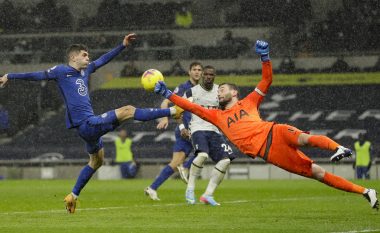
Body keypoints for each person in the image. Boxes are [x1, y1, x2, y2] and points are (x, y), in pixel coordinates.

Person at [154, 40, 379, 210]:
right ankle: (366, 191)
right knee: (317, 173)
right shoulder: (217, 116)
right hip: (270, 152)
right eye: (218, 90)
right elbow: (192, 107)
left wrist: (265, 57)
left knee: (304, 138)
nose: (218, 92)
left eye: (222, 89)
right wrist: (167, 93)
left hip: (275, 131)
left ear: (234, 92)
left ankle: (338, 148)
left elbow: (266, 80)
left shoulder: (249, 100)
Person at [0, 33, 183, 213]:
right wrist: (10, 75)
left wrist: (122, 46)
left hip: (89, 127)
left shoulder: (85, 71)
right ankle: (173, 110)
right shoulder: (61, 71)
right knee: (128, 110)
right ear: (73, 57)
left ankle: (73, 195)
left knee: (96, 162)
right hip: (86, 124)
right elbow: (36, 75)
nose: (88, 57)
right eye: (84, 55)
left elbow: (103, 60)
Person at [144, 62, 202, 201]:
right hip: (186, 130)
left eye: (199, 70)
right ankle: (187, 167)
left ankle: (152, 188)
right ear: (189, 72)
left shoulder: (201, 89)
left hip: (194, 129)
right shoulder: (183, 88)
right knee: (207, 148)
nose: (197, 72)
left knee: (175, 163)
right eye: (194, 69)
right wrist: (165, 118)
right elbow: (165, 103)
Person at [184, 65, 235, 206]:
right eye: (205, 74)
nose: (208, 77)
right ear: (202, 76)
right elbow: (181, 109)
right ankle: (190, 189)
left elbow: (229, 108)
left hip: (214, 130)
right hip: (197, 127)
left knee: (225, 160)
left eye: (211, 75)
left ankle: (208, 195)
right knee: (202, 155)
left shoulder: (220, 92)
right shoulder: (191, 92)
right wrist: (183, 126)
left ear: (214, 76)